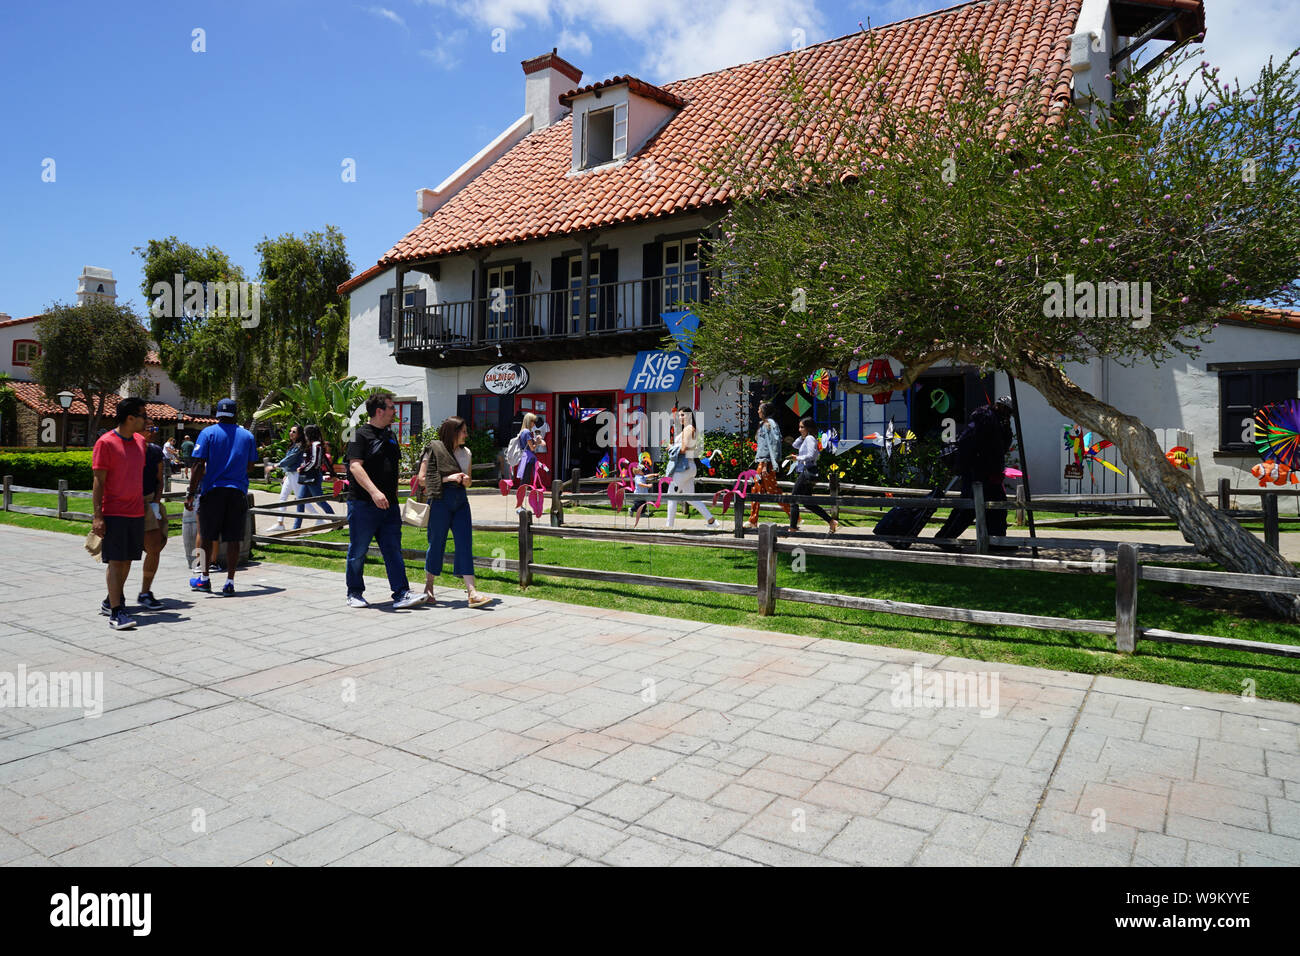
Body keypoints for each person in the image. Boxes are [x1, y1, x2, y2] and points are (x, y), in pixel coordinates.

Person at [345, 391, 427, 609]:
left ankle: (401, 593)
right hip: (363, 503)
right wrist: (374, 491)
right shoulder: (357, 434)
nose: (395, 412)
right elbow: (355, 466)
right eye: (392, 408)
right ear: (379, 411)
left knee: (392, 549)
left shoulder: (390, 436)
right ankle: (354, 592)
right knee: (358, 550)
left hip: (389, 505)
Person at [186, 398, 260, 596]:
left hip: (213, 491)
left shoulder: (207, 433)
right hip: (237, 492)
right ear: (236, 414)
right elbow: (251, 466)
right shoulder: (247, 436)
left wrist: (191, 493)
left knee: (206, 536)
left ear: (217, 414)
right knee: (233, 538)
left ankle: (204, 578)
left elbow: (198, 465)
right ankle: (229, 581)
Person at [419, 416, 490, 608]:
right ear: (453, 432)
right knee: (436, 544)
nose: (466, 435)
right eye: (463, 431)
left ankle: (472, 592)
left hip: (460, 501)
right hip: (440, 500)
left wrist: (466, 480)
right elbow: (422, 480)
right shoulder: (433, 449)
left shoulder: (466, 453)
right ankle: (429, 588)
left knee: (465, 543)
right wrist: (449, 478)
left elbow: (469, 480)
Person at [92, 397, 149, 630]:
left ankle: (110, 599)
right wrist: (98, 516)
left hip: (136, 512)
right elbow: (98, 481)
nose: (147, 419)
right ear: (130, 418)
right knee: (116, 561)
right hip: (113, 512)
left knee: (127, 561)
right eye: (143, 415)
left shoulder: (140, 442)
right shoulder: (105, 443)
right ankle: (117, 612)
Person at [935, 396, 1015, 543]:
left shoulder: (999, 423)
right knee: (968, 508)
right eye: (1008, 411)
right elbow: (967, 445)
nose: (1008, 415)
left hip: (991, 474)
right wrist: (967, 467)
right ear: (1000, 407)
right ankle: (944, 538)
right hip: (977, 474)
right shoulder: (983, 419)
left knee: (997, 508)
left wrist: (1006, 428)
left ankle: (996, 541)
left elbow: (1002, 447)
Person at [663, 408, 717, 529]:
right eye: (679, 415)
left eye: (682, 415)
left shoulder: (688, 429)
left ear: (688, 415)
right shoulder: (689, 429)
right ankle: (712, 521)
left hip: (683, 467)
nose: (680, 418)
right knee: (690, 497)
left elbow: (683, 449)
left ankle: (668, 526)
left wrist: (671, 447)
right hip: (689, 466)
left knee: (671, 494)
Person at [785, 417, 838, 534]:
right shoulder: (807, 438)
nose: (799, 429)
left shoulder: (810, 439)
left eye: (802, 427)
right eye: (799, 427)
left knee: (793, 498)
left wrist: (797, 458)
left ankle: (792, 527)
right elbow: (795, 445)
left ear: (808, 428)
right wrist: (802, 435)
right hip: (807, 471)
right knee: (808, 503)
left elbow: (811, 455)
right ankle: (831, 521)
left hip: (807, 471)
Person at [136, 424, 169, 609]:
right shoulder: (126, 448)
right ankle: (113, 596)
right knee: (122, 554)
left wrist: (156, 504)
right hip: (126, 502)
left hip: (148, 502)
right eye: (148, 427)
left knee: (154, 547)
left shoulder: (155, 451)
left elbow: (159, 480)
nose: (153, 431)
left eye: (155, 427)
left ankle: (145, 591)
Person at [748, 402, 791, 528]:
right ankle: (752, 521)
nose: (758, 412)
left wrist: (765, 464)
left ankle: (794, 516)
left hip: (766, 464)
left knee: (773, 491)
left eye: (759, 409)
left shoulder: (768, 425)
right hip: (763, 463)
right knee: (756, 490)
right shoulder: (767, 424)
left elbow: (769, 445)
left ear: (764, 412)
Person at [293, 424, 337, 530]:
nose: (304, 435)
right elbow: (322, 460)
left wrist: (302, 468)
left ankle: (336, 522)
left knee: (319, 501)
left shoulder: (316, 445)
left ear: (309, 434)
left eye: (305, 433)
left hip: (313, 476)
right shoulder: (314, 444)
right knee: (300, 500)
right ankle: (296, 527)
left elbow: (314, 462)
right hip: (309, 476)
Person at [268, 425, 306, 532]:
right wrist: (286, 474)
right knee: (283, 497)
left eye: (294, 432)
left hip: (296, 475)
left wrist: (275, 466)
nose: (290, 433)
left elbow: (289, 460)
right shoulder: (294, 445)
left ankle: (319, 519)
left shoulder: (299, 446)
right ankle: (280, 523)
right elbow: (289, 462)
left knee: (301, 499)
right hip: (290, 475)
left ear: (299, 434)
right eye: (290, 431)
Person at [512, 412, 540, 512]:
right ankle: (519, 506)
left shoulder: (522, 431)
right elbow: (532, 448)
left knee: (523, 482)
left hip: (524, 458)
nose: (534, 424)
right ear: (529, 421)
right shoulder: (527, 432)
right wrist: (538, 442)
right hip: (528, 459)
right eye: (533, 421)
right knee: (524, 483)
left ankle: (520, 505)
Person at [629, 462, 658, 528]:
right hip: (638, 494)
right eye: (643, 471)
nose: (644, 472)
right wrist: (647, 485)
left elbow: (647, 476)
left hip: (643, 494)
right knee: (638, 505)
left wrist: (654, 474)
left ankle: (642, 513)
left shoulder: (642, 476)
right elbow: (639, 484)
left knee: (644, 503)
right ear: (639, 471)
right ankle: (631, 509)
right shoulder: (638, 478)